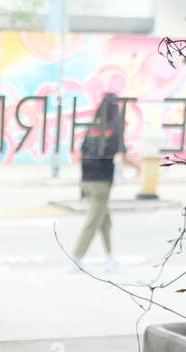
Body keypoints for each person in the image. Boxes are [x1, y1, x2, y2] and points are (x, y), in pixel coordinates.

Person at [69, 94, 124, 271]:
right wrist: (138, 167)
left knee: (104, 220)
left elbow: (80, 152)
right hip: (101, 180)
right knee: (93, 221)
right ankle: (76, 258)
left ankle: (110, 257)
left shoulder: (92, 128)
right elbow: (122, 153)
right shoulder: (114, 129)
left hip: (86, 178)